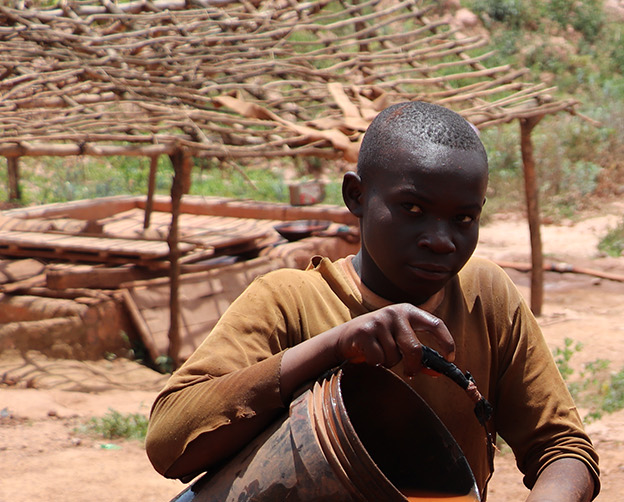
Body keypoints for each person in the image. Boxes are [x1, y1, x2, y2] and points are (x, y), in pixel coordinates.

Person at [145, 102, 598, 501]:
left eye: (464, 218)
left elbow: (563, 449)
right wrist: (334, 346)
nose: (441, 240)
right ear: (356, 196)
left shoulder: (485, 296)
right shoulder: (289, 301)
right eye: (413, 209)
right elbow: (168, 444)